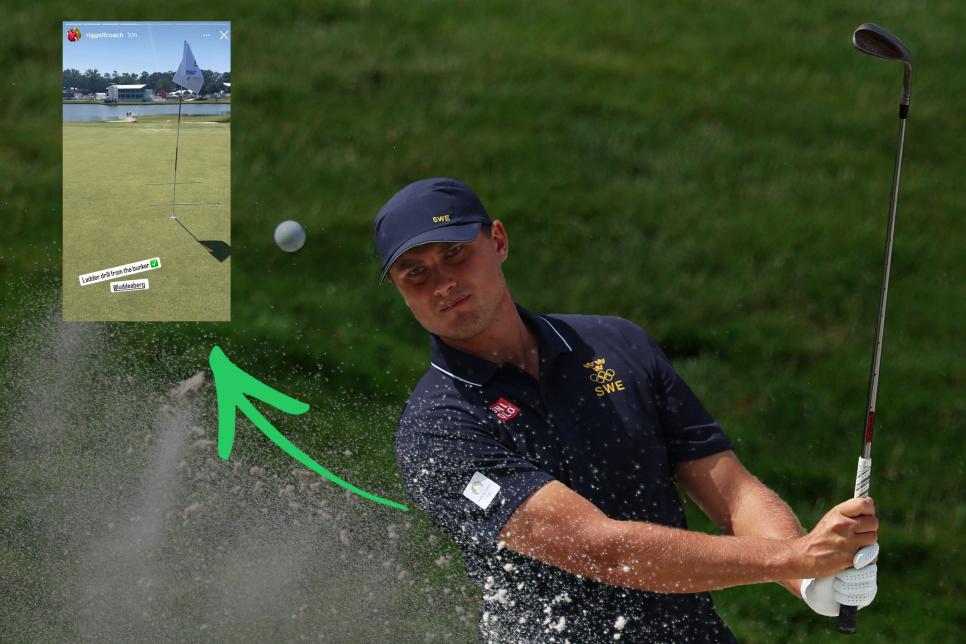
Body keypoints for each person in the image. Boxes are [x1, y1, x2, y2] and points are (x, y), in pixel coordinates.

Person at [374, 177, 879, 642]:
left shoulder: (615, 343)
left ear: (499, 242)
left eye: (456, 254)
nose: (442, 283)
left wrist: (811, 577)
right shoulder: (436, 431)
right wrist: (792, 556)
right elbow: (601, 549)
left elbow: (732, 492)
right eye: (415, 273)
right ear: (399, 291)